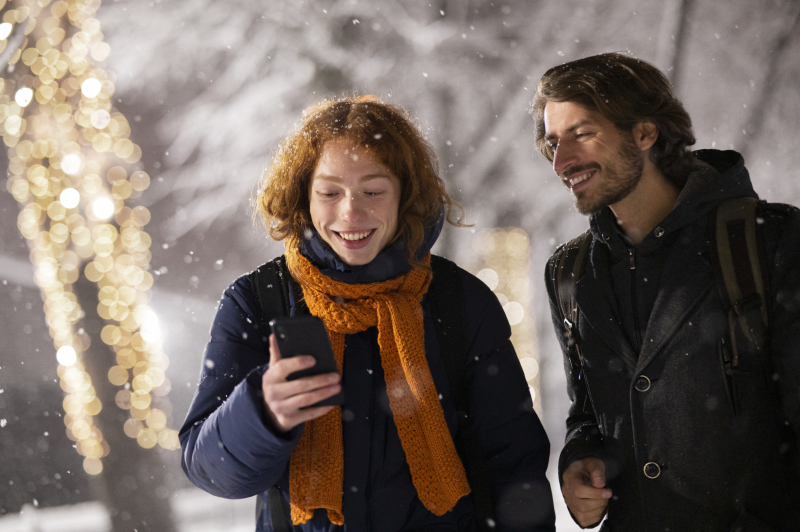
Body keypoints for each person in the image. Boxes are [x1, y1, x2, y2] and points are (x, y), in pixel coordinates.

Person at [179, 95, 556, 531]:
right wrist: (262, 413)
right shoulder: (258, 301)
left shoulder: (459, 302)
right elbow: (207, 468)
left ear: (405, 196)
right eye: (329, 192)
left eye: (373, 191)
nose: (350, 212)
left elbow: (515, 468)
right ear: (303, 194)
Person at [532, 53, 800, 531]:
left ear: (644, 133)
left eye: (582, 133)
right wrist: (580, 463)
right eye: (553, 142)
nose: (562, 161)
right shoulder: (568, 272)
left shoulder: (770, 243)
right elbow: (589, 411)